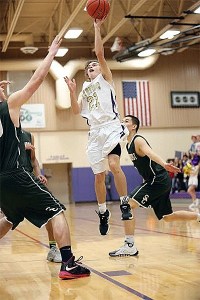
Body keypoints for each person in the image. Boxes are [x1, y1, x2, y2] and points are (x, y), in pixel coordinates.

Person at [0, 36, 90, 279]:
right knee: (57, 211)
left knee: (9, 218)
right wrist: (51, 54)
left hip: (1, 181)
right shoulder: (9, 106)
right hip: (15, 173)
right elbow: (36, 80)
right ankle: (68, 264)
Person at [64, 19, 137, 256]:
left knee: (114, 165)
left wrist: (96, 27)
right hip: (94, 133)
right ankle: (103, 211)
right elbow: (76, 112)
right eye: (89, 68)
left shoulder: (105, 79)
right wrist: (72, 92)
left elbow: (99, 53)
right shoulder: (85, 88)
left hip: (111, 127)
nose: (92, 68)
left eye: (94, 66)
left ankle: (124, 202)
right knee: (98, 176)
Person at [109, 115, 200, 256]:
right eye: (122, 121)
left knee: (127, 205)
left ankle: (129, 245)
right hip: (156, 181)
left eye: (126, 121)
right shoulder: (127, 144)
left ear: (133, 126)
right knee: (168, 217)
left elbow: (150, 153)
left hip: (157, 180)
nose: (123, 123)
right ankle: (198, 216)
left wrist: (164, 164)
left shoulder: (137, 140)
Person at [22, 129, 61, 262]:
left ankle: (53, 248)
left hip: (29, 178)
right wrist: (20, 147)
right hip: (10, 179)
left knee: (52, 209)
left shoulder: (28, 135)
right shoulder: (4, 132)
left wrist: (38, 173)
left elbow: (33, 160)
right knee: (9, 220)